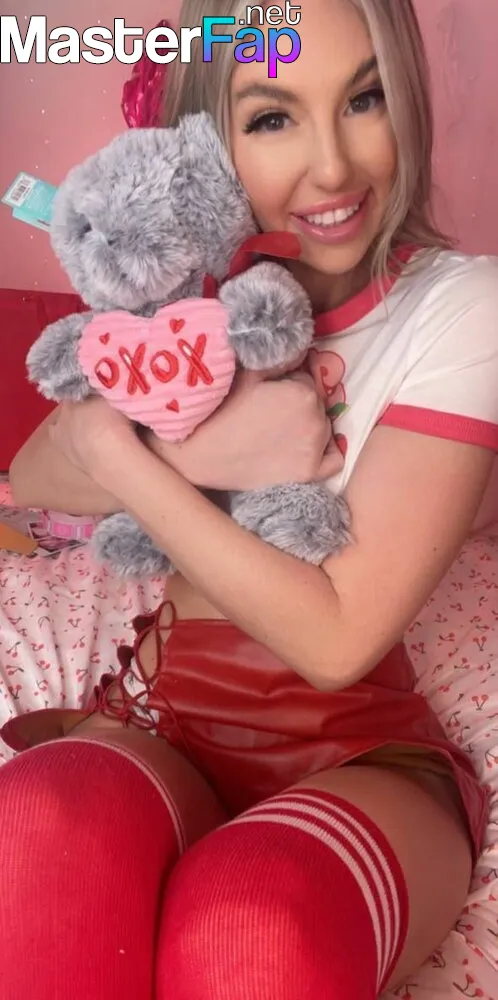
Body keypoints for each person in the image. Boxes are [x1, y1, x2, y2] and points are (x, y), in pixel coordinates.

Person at [2, 1, 498, 997]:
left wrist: (127, 455)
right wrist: (211, 448)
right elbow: (35, 476)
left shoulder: (461, 306)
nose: (333, 167)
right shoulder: (188, 297)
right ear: (205, 139)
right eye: (273, 117)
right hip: (164, 720)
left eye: (364, 99)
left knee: (252, 926)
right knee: (34, 827)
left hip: (356, 751)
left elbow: (337, 639)